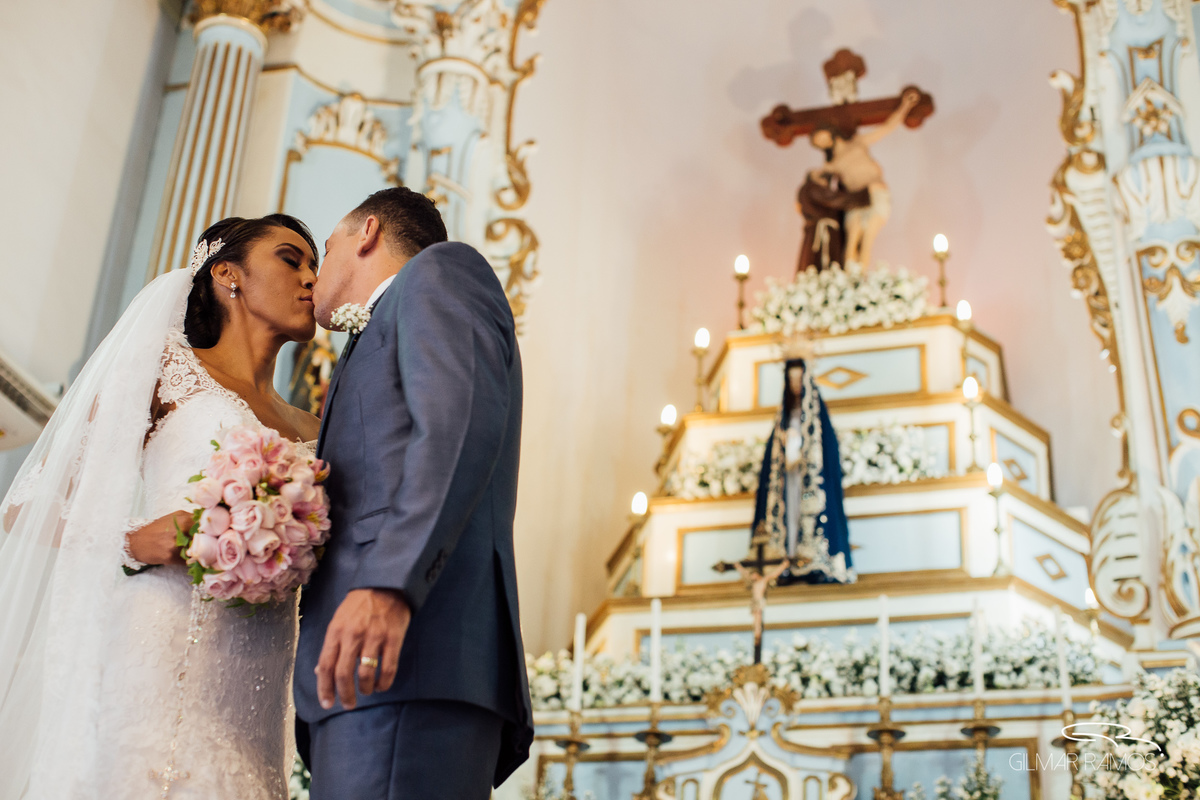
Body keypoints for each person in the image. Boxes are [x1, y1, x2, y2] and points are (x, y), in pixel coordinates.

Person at [0, 214, 323, 798]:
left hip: (260, 672)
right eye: (290, 259)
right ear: (229, 276)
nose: (311, 279)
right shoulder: (166, 371)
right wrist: (132, 539)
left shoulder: (314, 427)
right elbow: (24, 504)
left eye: (315, 266)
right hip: (161, 642)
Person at [296, 187, 532, 799]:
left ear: (367, 233)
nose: (314, 273)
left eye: (325, 249)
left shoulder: (441, 274)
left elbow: (456, 425)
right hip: (370, 669)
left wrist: (388, 585)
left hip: (408, 651)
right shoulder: (369, 334)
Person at [750, 358, 854, 585]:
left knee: (809, 513)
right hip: (788, 482)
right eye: (791, 380)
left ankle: (815, 561)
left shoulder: (818, 419)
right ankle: (785, 562)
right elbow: (772, 459)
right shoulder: (783, 419)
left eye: (799, 379)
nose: (795, 385)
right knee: (790, 516)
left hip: (810, 486)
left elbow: (829, 454)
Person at [805, 88, 921, 267]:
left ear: (830, 132)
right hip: (857, 199)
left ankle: (862, 283)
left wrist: (905, 105)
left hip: (875, 191)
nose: (823, 142)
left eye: (823, 138)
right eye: (819, 143)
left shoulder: (857, 143)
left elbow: (886, 128)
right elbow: (817, 181)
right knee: (852, 239)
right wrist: (812, 178)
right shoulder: (832, 164)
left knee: (867, 241)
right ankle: (849, 284)